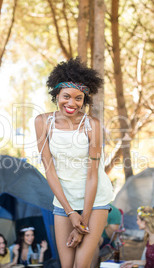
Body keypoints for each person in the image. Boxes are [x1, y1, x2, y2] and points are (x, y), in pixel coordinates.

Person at [35, 57, 114, 268]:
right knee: (66, 266)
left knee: (81, 265)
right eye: (66, 97)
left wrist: (82, 223)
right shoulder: (43, 122)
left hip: (95, 200)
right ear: (56, 95)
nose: (72, 103)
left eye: (79, 99)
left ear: (84, 101)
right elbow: (49, 171)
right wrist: (70, 213)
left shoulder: (92, 126)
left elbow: (92, 174)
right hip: (63, 201)